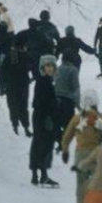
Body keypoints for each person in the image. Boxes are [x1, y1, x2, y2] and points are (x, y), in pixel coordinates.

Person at [61, 90, 102, 203]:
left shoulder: (77, 118)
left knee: (81, 188)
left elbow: (67, 136)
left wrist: (65, 150)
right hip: (97, 155)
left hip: (80, 156)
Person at [29, 55, 59, 187]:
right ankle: (43, 175)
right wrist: (50, 115)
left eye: (52, 65)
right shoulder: (44, 81)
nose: (50, 68)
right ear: (42, 67)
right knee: (44, 145)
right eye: (47, 66)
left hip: (40, 116)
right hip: (43, 117)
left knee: (38, 143)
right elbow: (41, 102)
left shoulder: (44, 80)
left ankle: (36, 174)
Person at [2, 42, 33, 137]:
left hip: (11, 85)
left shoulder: (8, 56)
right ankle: (26, 127)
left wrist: (2, 86)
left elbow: (3, 71)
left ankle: (15, 126)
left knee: (13, 106)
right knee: (23, 106)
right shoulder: (27, 56)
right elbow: (33, 67)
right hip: (23, 85)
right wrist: (31, 79)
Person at [54, 50, 81, 150]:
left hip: (56, 100)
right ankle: (63, 142)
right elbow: (76, 88)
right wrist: (78, 104)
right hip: (68, 101)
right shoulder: (73, 70)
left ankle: (59, 140)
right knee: (69, 125)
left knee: (56, 122)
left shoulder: (57, 69)